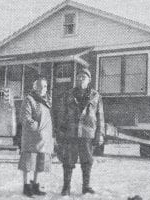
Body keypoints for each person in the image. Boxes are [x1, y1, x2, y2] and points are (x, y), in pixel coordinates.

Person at [57, 67, 105, 196]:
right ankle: (66, 187)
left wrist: (100, 134)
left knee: (87, 161)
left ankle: (86, 186)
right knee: (68, 161)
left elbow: (100, 116)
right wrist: (60, 132)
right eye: (78, 77)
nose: (80, 79)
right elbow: (62, 114)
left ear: (89, 80)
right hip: (71, 133)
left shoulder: (95, 96)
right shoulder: (68, 94)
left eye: (84, 77)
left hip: (87, 134)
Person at [18, 76, 54, 197]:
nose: (42, 88)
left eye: (44, 86)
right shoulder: (29, 99)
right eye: (39, 86)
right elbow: (25, 118)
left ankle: (36, 185)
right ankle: (26, 186)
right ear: (34, 87)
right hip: (31, 138)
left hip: (44, 139)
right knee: (29, 163)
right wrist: (37, 127)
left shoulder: (47, 101)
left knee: (40, 163)